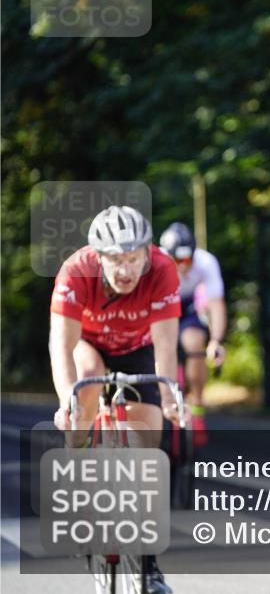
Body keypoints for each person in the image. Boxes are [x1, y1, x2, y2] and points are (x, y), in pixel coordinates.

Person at [50, 205, 179, 594]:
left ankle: (149, 567)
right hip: (88, 345)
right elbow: (62, 345)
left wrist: (170, 395)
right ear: (97, 257)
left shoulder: (163, 269)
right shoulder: (75, 272)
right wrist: (66, 405)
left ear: (147, 252)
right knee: (86, 382)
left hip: (137, 348)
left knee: (150, 445)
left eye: (133, 259)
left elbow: (166, 346)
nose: (125, 270)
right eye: (115, 260)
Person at [158, 222, 226, 448]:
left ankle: (196, 407)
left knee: (195, 342)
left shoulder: (206, 262)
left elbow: (216, 305)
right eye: (174, 261)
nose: (181, 267)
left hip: (186, 308)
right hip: (159, 308)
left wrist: (216, 340)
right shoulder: (153, 264)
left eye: (186, 261)